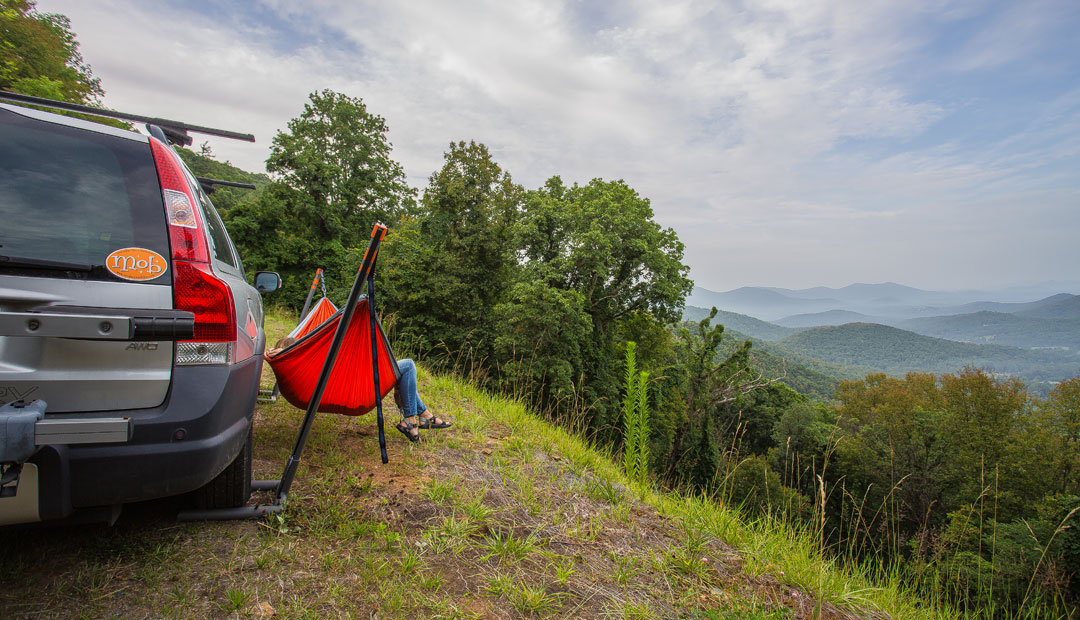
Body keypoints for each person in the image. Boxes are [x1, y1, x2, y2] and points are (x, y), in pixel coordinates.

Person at [394, 358, 450, 442]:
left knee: (405, 368)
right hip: (370, 375)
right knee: (408, 365)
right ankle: (411, 419)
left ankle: (424, 414)